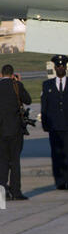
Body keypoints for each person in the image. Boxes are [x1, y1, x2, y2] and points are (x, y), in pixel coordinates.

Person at [41, 55, 68, 190]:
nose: (60, 68)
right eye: (58, 66)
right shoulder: (47, 85)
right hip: (54, 126)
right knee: (57, 154)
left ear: (66, 68)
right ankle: (60, 181)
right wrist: (45, 123)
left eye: (63, 66)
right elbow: (44, 106)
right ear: (55, 68)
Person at [0, 64, 31, 200]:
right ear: (13, 74)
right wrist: (19, 83)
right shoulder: (16, 86)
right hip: (15, 129)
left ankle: (2, 192)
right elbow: (28, 100)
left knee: (3, 162)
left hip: (1, 130)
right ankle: (15, 191)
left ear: (1, 75)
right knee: (15, 161)